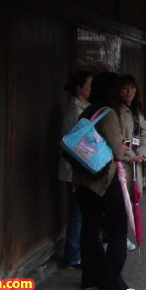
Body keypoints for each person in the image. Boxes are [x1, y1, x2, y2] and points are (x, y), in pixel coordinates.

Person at [73, 72, 135, 290]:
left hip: (82, 181)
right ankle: (111, 283)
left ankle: (91, 278)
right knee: (118, 228)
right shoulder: (107, 113)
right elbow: (118, 150)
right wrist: (127, 151)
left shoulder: (87, 111)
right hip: (104, 181)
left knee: (90, 228)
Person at [59, 71, 93, 269]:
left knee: (79, 213)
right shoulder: (75, 111)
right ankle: (72, 255)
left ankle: (76, 252)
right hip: (75, 170)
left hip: (79, 169)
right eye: (88, 85)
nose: (91, 89)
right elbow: (78, 146)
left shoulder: (83, 108)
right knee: (77, 214)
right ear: (79, 88)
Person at [118, 74, 146, 252]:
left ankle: (127, 235)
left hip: (137, 161)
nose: (129, 92)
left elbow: (143, 134)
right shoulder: (117, 111)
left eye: (132, 88)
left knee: (133, 197)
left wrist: (141, 152)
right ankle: (119, 237)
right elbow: (116, 139)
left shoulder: (137, 110)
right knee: (123, 200)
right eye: (125, 88)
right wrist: (130, 154)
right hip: (123, 163)